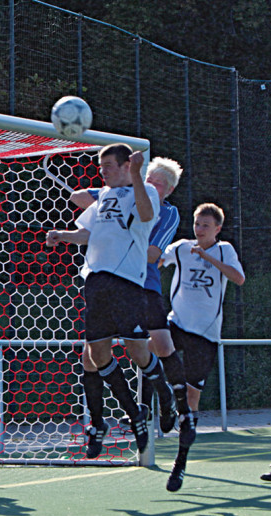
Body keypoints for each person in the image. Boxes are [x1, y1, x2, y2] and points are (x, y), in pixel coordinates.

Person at [46, 143, 174, 459]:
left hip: (127, 283)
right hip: (96, 281)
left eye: (108, 166)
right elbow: (89, 234)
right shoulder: (103, 197)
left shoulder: (145, 193)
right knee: (97, 354)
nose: (102, 171)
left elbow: (146, 214)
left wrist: (136, 173)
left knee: (136, 351)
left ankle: (164, 392)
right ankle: (134, 413)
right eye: (101, 166)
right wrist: (63, 236)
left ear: (124, 166)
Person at [71, 157, 185, 433]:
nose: (151, 188)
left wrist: (122, 237)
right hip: (110, 286)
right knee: (92, 355)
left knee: (159, 346)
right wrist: (111, 206)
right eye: (148, 182)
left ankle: (177, 408)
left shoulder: (167, 212)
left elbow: (152, 254)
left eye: (158, 186)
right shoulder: (122, 195)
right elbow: (77, 197)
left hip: (143, 286)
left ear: (168, 191)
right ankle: (104, 423)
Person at [158, 203, 245, 491]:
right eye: (197, 223)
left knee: (193, 400)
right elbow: (157, 259)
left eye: (206, 225)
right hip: (178, 322)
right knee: (151, 344)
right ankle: (165, 400)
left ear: (217, 229)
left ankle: (180, 464)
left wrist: (207, 257)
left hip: (205, 334)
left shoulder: (224, 250)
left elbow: (238, 278)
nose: (200, 229)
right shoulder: (182, 247)